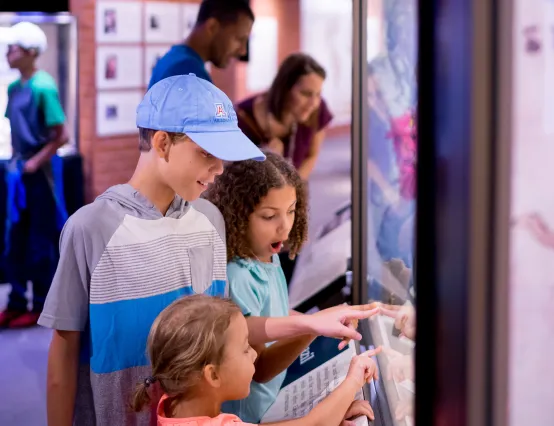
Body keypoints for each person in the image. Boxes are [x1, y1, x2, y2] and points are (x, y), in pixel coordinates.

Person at [38, 74, 380, 426]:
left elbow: (229, 330)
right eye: (207, 154)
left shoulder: (210, 220)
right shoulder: (90, 228)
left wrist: (308, 322)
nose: (218, 169)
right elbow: (62, 357)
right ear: (162, 142)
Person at [132, 294, 380, 426]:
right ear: (213, 375)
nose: (254, 353)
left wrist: (334, 413)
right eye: (244, 349)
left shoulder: (174, 403)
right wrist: (354, 379)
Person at [203, 151, 317, 421]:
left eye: (291, 211)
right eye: (269, 216)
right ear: (238, 216)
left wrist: (327, 323)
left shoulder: (268, 256)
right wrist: (311, 328)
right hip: (253, 414)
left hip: (273, 399)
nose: (285, 227)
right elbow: (261, 368)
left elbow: (274, 315)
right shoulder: (238, 276)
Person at [0, 21, 69, 328]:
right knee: (13, 239)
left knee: (41, 240)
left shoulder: (43, 86)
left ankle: (40, 305)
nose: (7, 53)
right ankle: (15, 301)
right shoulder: (14, 88)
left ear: (29, 52)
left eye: (12, 48)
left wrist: (36, 160)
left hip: (40, 174)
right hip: (19, 173)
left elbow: (61, 134)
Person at [236, 53, 333, 182]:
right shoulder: (241, 118)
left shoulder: (319, 109)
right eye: (305, 93)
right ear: (284, 88)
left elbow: (312, 155)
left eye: (318, 94)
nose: (314, 103)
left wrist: (293, 187)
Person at [148, 0, 253, 88]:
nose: (243, 51)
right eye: (239, 39)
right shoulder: (187, 71)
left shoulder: (173, 59)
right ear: (212, 27)